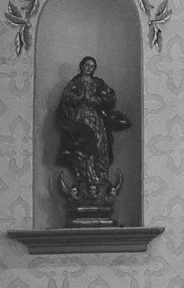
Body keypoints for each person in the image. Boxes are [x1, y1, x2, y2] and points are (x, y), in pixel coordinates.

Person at [55, 55, 130, 211]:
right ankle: (84, 177)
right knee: (81, 147)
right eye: (87, 65)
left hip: (95, 118)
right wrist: (79, 97)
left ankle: (98, 177)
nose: (89, 68)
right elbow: (66, 98)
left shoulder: (98, 83)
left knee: (100, 146)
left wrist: (94, 99)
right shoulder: (74, 83)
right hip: (79, 119)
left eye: (92, 66)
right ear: (81, 66)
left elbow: (110, 98)